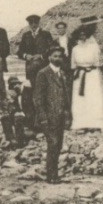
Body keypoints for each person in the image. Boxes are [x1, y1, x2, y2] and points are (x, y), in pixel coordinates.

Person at [34, 46, 73, 183]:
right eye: (55, 56)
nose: (57, 58)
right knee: (53, 144)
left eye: (60, 56)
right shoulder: (43, 73)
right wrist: (43, 118)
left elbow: (66, 96)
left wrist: (68, 115)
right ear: (49, 57)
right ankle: (51, 176)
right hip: (49, 117)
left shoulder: (62, 73)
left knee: (58, 145)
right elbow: (38, 98)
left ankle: (53, 174)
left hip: (61, 116)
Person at [14, 14, 55, 126]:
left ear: (39, 23)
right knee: (31, 91)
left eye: (35, 23)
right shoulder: (26, 35)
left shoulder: (46, 34)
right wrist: (26, 55)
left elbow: (52, 50)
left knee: (43, 91)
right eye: (30, 23)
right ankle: (33, 119)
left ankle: (45, 118)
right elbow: (20, 52)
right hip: (30, 68)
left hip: (43, 68)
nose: (33, 25)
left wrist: (41, 56)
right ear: (28, 24)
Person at [68, 18, 103, 131]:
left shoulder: (93, 47)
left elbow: (97, 62)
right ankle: (81, 123)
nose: (82, 37)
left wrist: (89, 68)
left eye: (84, 35)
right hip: (79, 75)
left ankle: (95, 123)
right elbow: (73, 64)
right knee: (80, 99)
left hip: (92, 74)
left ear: (87, 35)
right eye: (80, 35)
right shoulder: (75, 49)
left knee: (93, 98)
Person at [0, 75, 31, 148]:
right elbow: (9, 108)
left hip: (30, 119)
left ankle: (20, 142)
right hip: (21, 117)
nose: (15, 86)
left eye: (17, 84)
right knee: (5, 117)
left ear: (20, 84)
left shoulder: (27, 92)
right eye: (13, 85)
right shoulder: (12, 95)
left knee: (18, 117)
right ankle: (11, 139)